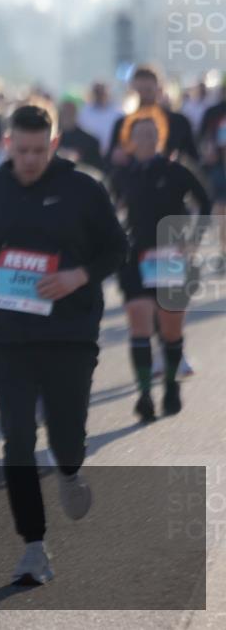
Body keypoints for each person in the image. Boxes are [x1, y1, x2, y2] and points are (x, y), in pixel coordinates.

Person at [0, 105, 128, 585]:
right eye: (21, 150)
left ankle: (69, 469)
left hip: (69, 331)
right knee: (18, 437)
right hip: (7, 331)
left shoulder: (84, 188)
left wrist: (78, 276)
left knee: (66, 437)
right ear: (8, 144)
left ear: (53, 144)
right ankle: (33, 546)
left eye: (38, 151)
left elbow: (118, 248)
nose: (29, 160)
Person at [108, 114, 211, 423]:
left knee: (170, 328)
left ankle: (169, 385)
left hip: (169, 254)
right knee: (138, 321)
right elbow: (111, 209)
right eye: (140, 135)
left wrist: (193, 239)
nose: (147, 140)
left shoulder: (176, 169)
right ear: (130, 140)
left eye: (152, 134)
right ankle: (144, 394)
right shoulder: (123, 174)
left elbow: (205, 202)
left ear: (160, 137)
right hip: (135, 257)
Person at [106, 66, 198, 168]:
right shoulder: (122, 124)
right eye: (139, 91)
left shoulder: (178, 122)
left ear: (159, 89)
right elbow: (109, 161)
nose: (143, 96)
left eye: (148, 91)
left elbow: (192, 158)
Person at [57, 98, 105, 172]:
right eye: (64, 112)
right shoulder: (49, 138)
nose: (66, 116)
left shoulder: (90, 141)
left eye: (70, 112)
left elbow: (98, 170)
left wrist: (78, 159)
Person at [78, 82, 123, 156]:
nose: (100, 95)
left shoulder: (118, 114)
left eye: (102, 92)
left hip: (110, 155)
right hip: (88, 154)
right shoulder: (83, 112)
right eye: (97, 92)